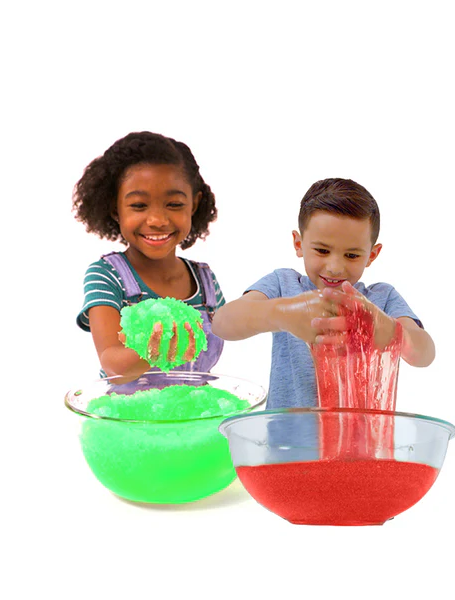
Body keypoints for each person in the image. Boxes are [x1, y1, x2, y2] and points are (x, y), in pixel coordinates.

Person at [212, 178, 435, 410]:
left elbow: (425, 354)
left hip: (361, 434)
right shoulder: (283, 285)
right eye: (322, 250)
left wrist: (391, 333)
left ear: (372, 255)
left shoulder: (382, 299)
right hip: (285, 433)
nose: (335, 267)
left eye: (352, 255)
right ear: (298, 243)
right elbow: (222, 323)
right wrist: (282, 314)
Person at [73, 131, 225, 380]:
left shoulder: (206, 282)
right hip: (124, 405)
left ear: (194, 204)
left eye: (174, 204)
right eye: (139, 206)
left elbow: (237, 327)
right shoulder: (107, 276)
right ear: (115, 208)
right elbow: (113, 366)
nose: (157, 220)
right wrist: (155, 349)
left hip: (192, 406)